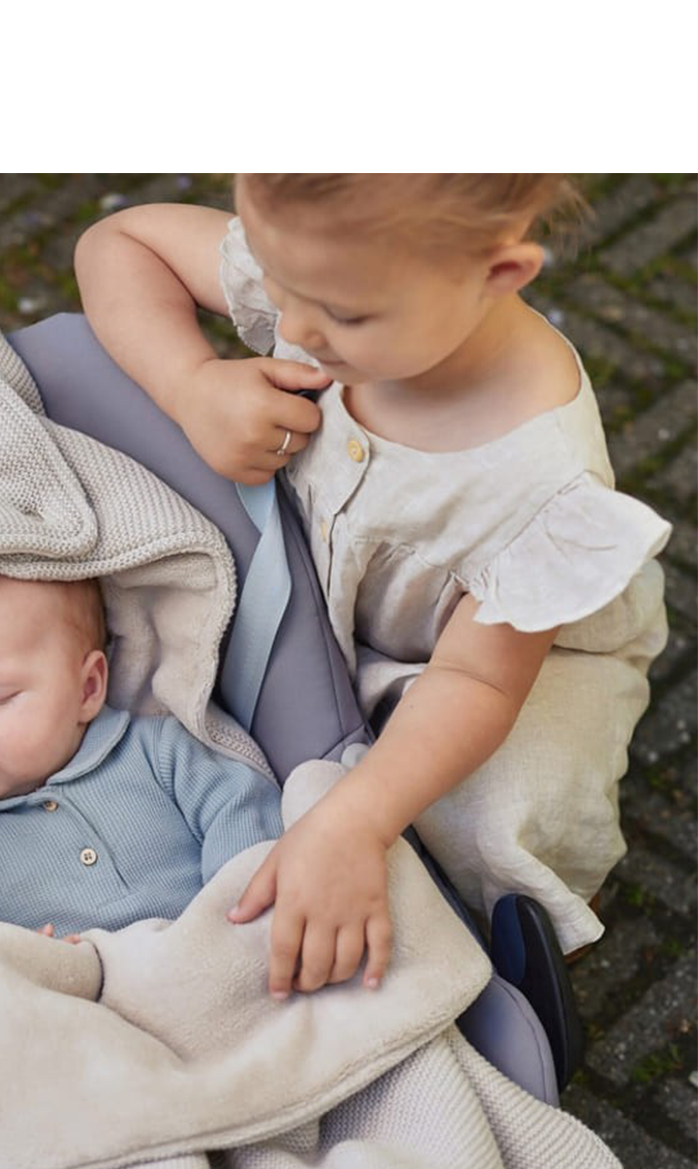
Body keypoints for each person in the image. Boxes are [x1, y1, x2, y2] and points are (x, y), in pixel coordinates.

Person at [73, 173, 672, 1000]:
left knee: (504, 817)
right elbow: (119, 244)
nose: (295, 327)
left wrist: (356, 822)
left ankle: (526, 947)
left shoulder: (540, 485)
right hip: (322, 585)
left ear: (498, 275)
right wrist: (191, 384)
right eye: (278, 286)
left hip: (496, 661)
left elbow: (479, 682)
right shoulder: (325, 271)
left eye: (343, 314)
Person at [0, 558, 283, 935]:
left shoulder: (159, 752)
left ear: (87, 689)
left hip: (214, 949)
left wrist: (232, 918)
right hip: (78, 992)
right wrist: (13, 963)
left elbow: (242, 809)